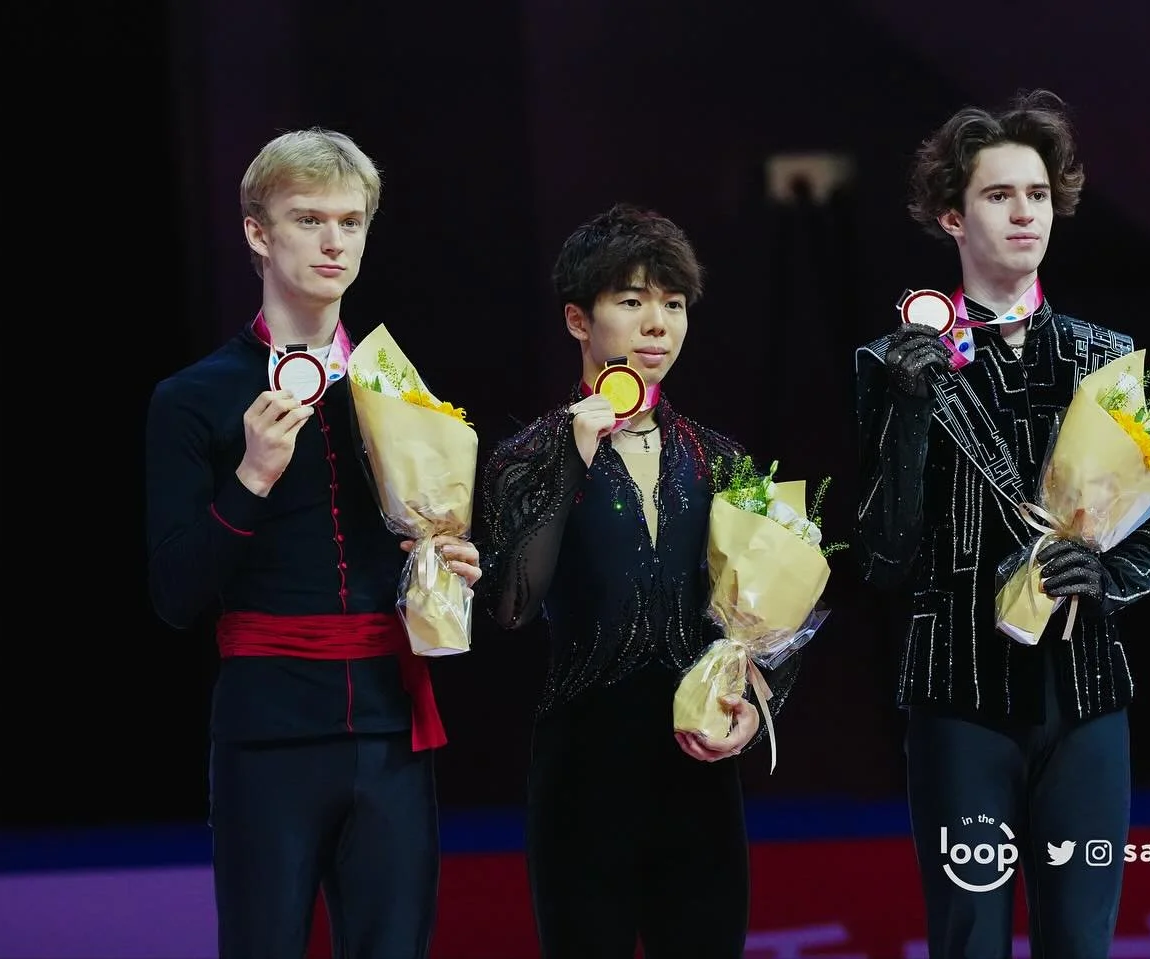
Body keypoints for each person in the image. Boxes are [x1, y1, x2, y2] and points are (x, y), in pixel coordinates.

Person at [854, 91, 1150, 958]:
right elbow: (881, 556)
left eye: (1037, 194)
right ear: (952, 216)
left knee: (1081, 939)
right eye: (1000, 196)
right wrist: (912, 416)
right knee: (970, 941)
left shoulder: (1105, 358)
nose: (1025, 212)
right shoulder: (894, 364)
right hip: (959, 700)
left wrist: (1110, 577)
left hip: (1086, 699)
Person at [145, 127, 482, 959]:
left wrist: (453, 565)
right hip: (268, 735)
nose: (334, 242)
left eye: (351, 221)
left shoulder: (397, 388)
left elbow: (428, 550)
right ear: (259, 232)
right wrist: (254, 474)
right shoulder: (194, 399)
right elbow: (175, 594)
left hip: (390, 729)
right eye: (308, 220)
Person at [478, 203, 801, 958]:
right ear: (576, 321)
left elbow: (773, 617)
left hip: (698, 776)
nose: (658, 323)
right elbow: (512, 604)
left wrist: (760, 701)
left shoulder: (723, 459)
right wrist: (569, 457)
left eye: (674, 304)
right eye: (631, 301)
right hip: (584, 775)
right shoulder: (526, 455)